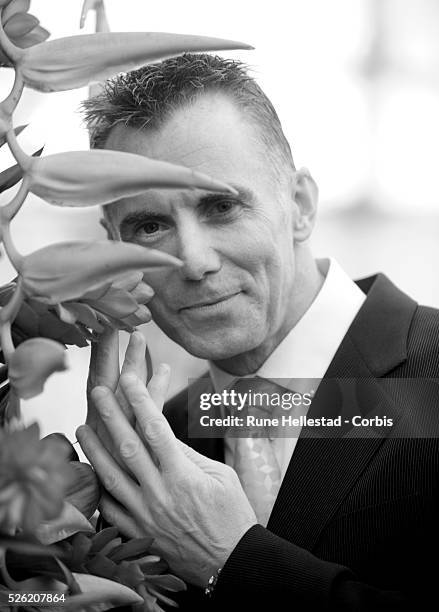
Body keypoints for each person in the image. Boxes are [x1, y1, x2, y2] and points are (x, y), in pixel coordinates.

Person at [77, 53, 439, 611]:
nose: (193, 261)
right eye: (149, 226)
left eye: (221, 207)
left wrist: (235, 564)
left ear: (299, 205)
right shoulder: (167, 435)